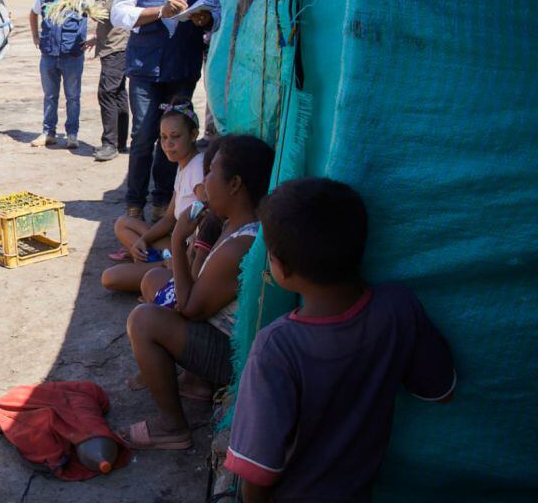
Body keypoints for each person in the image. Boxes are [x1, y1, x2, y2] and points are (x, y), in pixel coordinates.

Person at [226, 178, 456, 502]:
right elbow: (441, 390)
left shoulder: (275, 348)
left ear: (282, 270)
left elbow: (256, 473)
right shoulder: (398, 308)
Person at [118, 135, 274, 450]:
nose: (205, 181)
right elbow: (194, 282)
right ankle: (195, 382)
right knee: (154, 282)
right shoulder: (231, 225)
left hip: (233, 358)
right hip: (216, 330)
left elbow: (189, 307)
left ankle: (173, 427)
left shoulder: (241, 244)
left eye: (211, 172)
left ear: (234, 185)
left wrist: (177, 242)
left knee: (144, 320)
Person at [111, 0, 220, 222]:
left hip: (183, 67)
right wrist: (159, 11)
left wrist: (204, 17)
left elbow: (216, 15)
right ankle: (134, 203)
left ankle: (162, 201)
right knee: (144, 135)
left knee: (175, 137)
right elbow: (120, 14)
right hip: (146, 68)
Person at [101, 102, 203, 293]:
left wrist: (180, 260)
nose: (167, 144)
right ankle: (155, 260)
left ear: (194, 135)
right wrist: (144, 240)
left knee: (110, 278)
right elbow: (170, 218)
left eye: (175, 137)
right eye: (163, 137)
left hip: (188, 256)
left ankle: (163, 267)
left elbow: (205, 222)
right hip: (177, 246)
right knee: (123, 223)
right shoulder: (183, 166)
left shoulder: (198, 168)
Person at [28, 0, 91, 150]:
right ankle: (49, 133)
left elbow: (100, 15)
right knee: (50, 96)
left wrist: (94, 39)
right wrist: (35, 37)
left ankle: (72, 134)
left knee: (72, 97)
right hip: (49, 54)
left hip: (72, 55)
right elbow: (33, 13)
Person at [89, 0, 131, 162]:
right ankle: (121, 141)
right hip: (110, 45)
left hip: (117, 46)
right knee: (118, 93)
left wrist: (88, 8)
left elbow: (106, 11)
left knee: (106, 93)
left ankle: (110, 144)